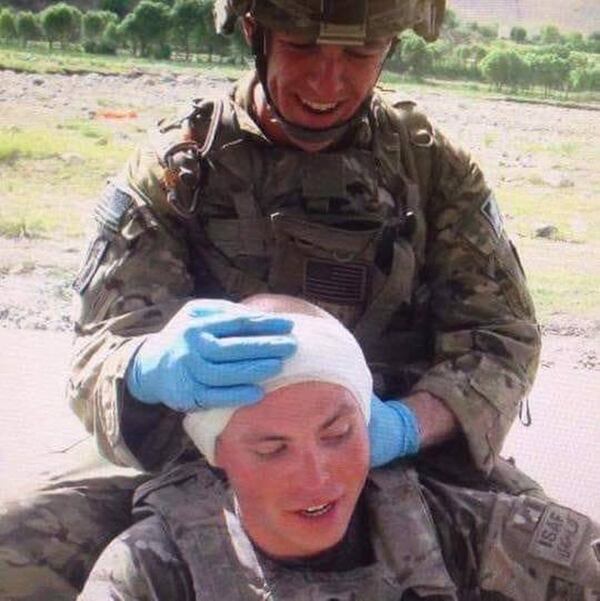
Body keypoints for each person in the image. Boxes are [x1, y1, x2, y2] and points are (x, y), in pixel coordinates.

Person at [0, 1, 541, 598]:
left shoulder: (433, 170)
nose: (327, 81)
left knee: (560, 556)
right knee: (16, 549)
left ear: (391, 49)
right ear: (255, 32)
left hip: (398, 450)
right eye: (304, 47)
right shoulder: (178, 170)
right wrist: (147, 369)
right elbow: (99, 350)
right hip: (200, 450)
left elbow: (500, 339)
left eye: (359, 55)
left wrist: (405, 426)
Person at [79, 295, 599, 601]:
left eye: (338, 435)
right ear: (219, 456)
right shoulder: (153, 571)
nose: (318, 478)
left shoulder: (454, 529)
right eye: (272, 448)